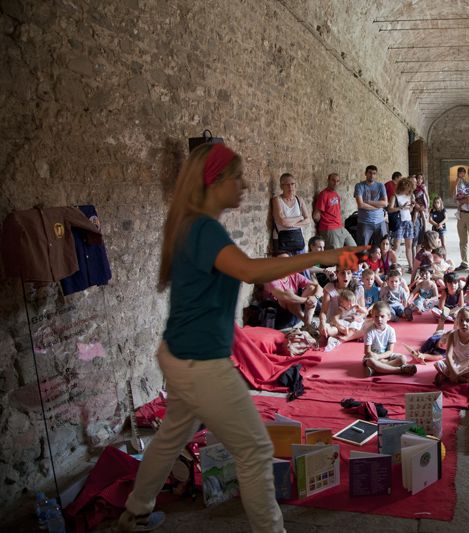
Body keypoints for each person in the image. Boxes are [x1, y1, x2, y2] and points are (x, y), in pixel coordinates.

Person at [117, 143, 362, 533]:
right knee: (255, 449)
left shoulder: (193, 225)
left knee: (168, 439)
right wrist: (319, 258)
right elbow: (250, 271)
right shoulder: (202, 228)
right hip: (201, 363)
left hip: (179, 355)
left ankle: (136, 512)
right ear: (214, 182)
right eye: (236, 177)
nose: (244, 184)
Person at [262, 252, 322, 330]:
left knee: (312, 287)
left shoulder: (294, 275)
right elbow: (284, 296)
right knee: (288, 294)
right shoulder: (272, 278)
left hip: (296, 312)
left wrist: (315, 297)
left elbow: (318, 287)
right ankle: (307, 323)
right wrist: (307, 300)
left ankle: (308, 323)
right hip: (280, 315)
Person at [363, 302, 417, 376]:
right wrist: (376, 357)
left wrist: (381, 358)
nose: (379, 319)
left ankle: (378, 369)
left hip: (386, 356)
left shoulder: (391, 330)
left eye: (382, 316)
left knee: (403, 359)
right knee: (370, 361)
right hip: (373, 357)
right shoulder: (369, 331)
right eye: (376, 316)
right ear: (372, 316)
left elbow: (390, 351)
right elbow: (367, 352)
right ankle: (400, 370)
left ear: (388, 317)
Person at [434, 307, 469, 386]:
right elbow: (448, 355)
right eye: (461, 320)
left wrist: (456, 371)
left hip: (468, 363)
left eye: (467, 320)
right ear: (457, 321)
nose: (464, 323)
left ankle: (450, 376)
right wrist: (453, 369)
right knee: (438, 364)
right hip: (455, 361)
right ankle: (466, 379)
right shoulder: (452, 335)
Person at [313, 172, 356, 250]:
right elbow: (316, 215)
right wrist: (323, 227)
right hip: (330, 229)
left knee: (354, 248)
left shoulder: (336, 194)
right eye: (333, 180)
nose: (335, 183)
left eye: (337, 181)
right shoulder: (323, 194)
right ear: (328, 180)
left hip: (340, 227)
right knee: (335, 255)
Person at [271, 172, 310, 254]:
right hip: (282, 240)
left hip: (298, 239)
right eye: (287, 184)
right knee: (285, 266)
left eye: (292, 184)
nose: (290, 187)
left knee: (301, 265)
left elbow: (308, 220)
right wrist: (299, 218)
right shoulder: (277, 200)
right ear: (281, 186)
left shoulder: (299, 200)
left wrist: (292, 224)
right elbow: (282, 221)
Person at [354, 165, 388, 246]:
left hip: (380, 222)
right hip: (365, 222)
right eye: (370, 173)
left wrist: (368, 201)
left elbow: (385, 203)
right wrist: (377, 207)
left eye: (374, 173)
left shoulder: (380, 186)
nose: (372, 175)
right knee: (362, 249)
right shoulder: (359, 186)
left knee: (382, 248)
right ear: (365, 173)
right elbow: (361, 205)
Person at [388, 176, 415, 270]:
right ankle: (393, 265)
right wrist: (400, 207)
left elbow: (410, 210)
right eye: (407, 188)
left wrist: (411, 206)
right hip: (399, 222)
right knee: (396, 246)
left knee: (409, 246)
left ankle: (411, 266)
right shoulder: (394, 196)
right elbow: (389, 209)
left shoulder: (409, 196)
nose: (408, 190)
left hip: (408, 221)